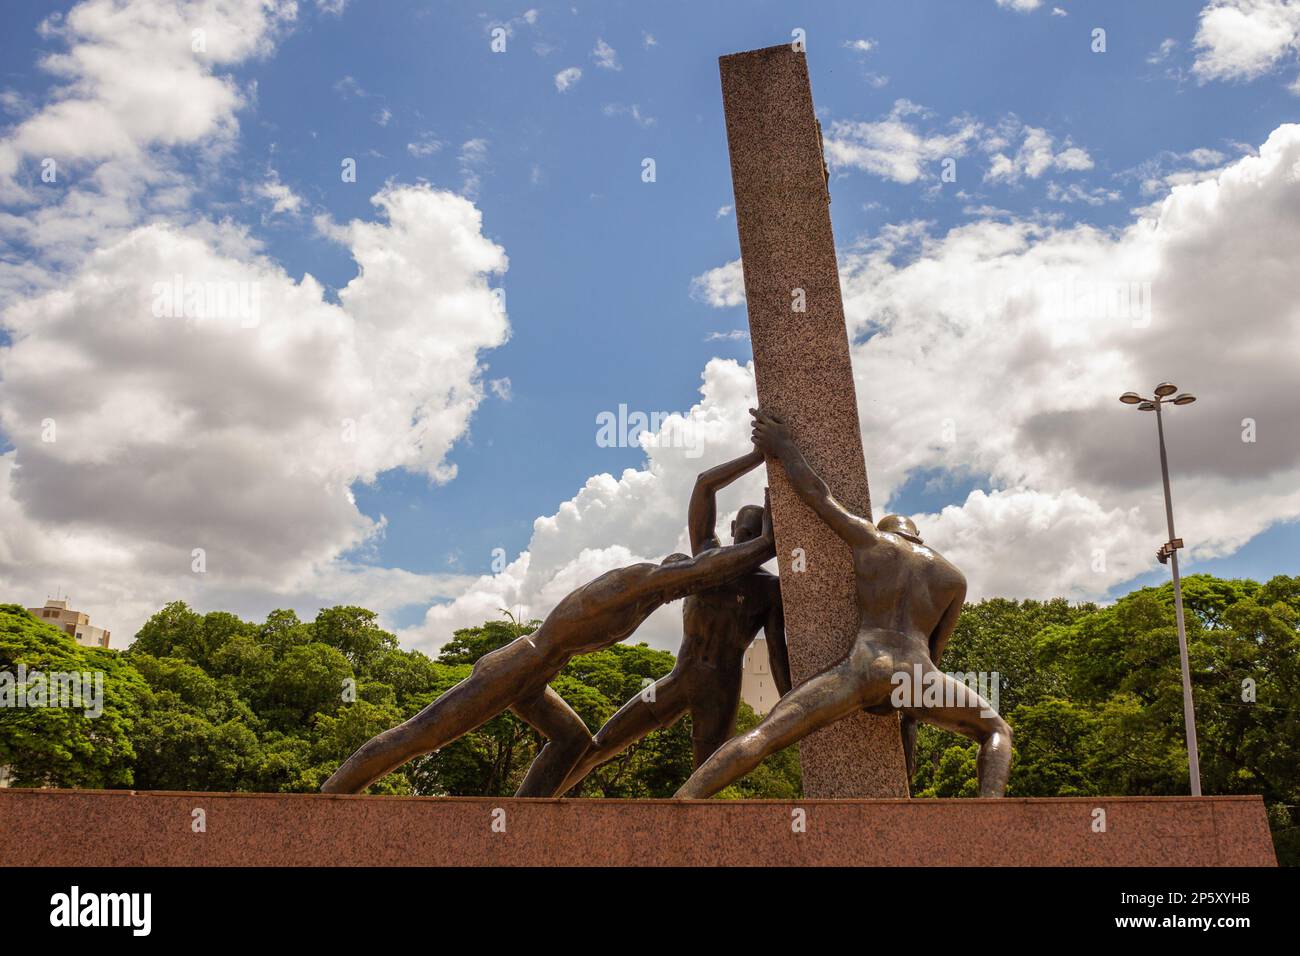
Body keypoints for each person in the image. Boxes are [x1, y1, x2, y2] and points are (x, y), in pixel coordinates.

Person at [321, 506, 775, 797]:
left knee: (575, 741)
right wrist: (769, 541)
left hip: (537, 678)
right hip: (517, 667)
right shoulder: (636, 584)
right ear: (675, 577)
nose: (689, 592)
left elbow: (712, 567)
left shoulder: (648, 596)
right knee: (423, 735)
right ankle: (330, 797)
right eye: (687, 583)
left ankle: (523, 822)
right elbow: (712, 564)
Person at [675, 408, 1011, 799]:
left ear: (888, 530)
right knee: (996, 730)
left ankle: (685, 800)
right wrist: (909, 705)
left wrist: (782, 446)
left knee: (766, 734)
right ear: (919, 536)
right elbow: (934, 652)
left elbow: (818, 495)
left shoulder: (872, 542)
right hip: (918, 675)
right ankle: (991, 817)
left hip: (865, 666)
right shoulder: (954, 579)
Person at [553, 449, 788, 795]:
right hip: (679, 678)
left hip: (721, 693)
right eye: (745, 534)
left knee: (702, 787)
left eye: (757, 537)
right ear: (733, 529)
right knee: (602, 743)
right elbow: (704, 484)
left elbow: (776, 652)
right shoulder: (705, 560)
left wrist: (793, 706)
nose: (748, 543)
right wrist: (757, 456)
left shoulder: (769, 590)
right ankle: (536, 806)